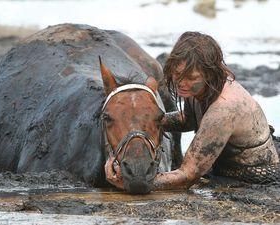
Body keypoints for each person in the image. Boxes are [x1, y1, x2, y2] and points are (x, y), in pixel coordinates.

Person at [105, 31, 280, 190]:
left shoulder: (224, 109)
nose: (181, 83)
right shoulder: (197, 89)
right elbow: (189, 119)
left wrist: (133, 181)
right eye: (177, 74)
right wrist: (149, 121)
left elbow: (188, 174)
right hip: (222, 167)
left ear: (210, 74)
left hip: (252, 176)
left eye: (191, 78)